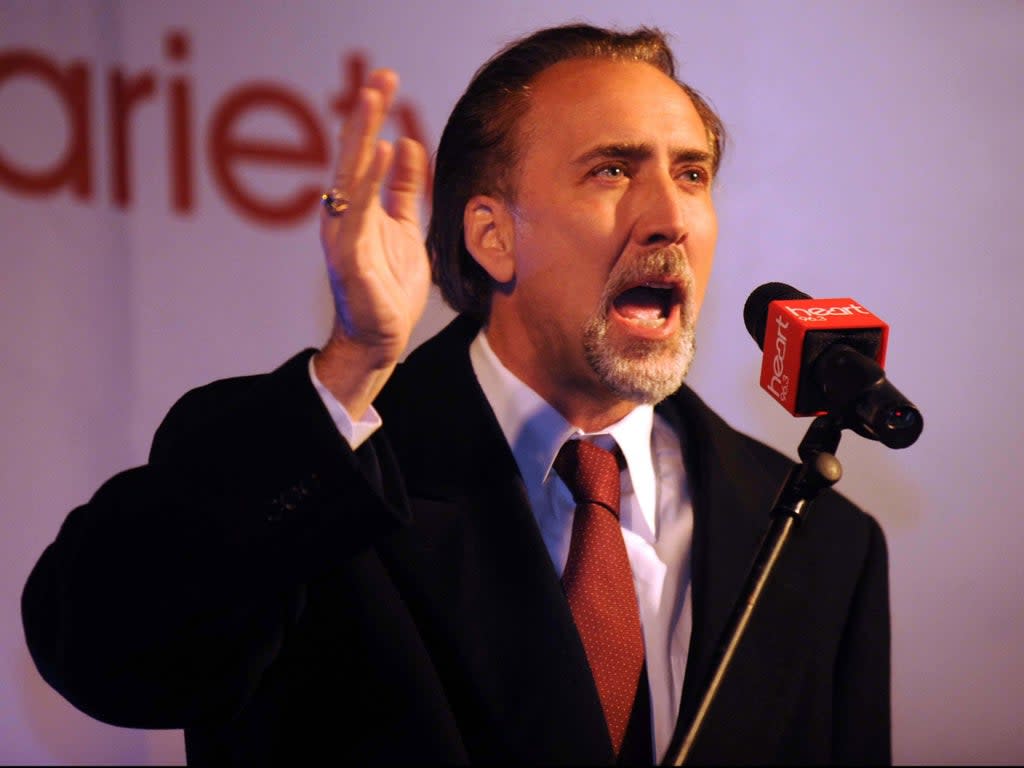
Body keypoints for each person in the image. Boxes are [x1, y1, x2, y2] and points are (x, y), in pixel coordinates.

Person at [21, 22, 891, 765]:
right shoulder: (321, 459)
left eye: (693, 173)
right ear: (491, 237)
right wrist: (357, 359)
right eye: (613, 171)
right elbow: (104, 653)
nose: (669, 216)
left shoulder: (821, 543)